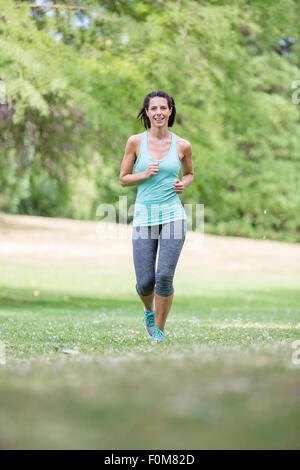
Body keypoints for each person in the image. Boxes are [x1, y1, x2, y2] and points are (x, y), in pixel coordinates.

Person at [119, 90, 194, 343]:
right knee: (145, 282)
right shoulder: (135, 142)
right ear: (147, 112)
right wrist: (144, 175)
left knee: (164, 277)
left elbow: (190, 173)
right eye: (154, 108)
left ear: (171, 111)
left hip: (173, 215)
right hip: (144, 217)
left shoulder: (182, 145)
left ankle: (159, 331)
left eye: (164, 108)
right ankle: (148, 311)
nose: (159, 112)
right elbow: (123, 178)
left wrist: (184, 183)